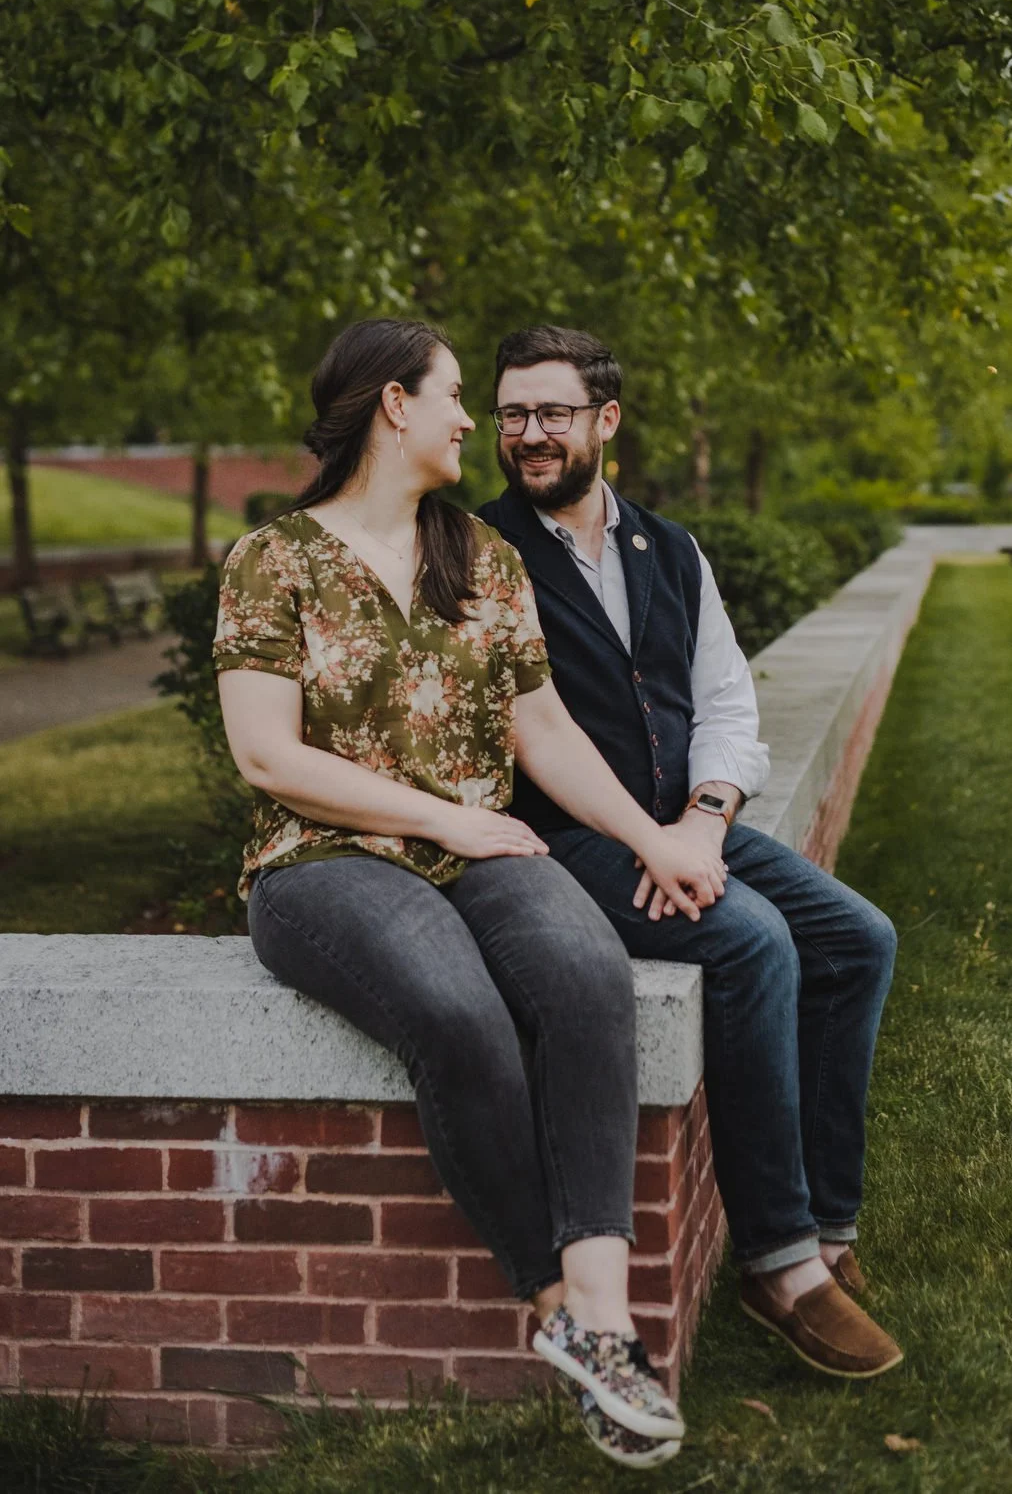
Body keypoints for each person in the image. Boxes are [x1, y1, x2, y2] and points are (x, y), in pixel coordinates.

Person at [214, 317, 727, 1468]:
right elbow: (266, 755)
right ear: (395, 404)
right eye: (456, 397)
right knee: (456, 1012)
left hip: (476, 851)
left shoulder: (481, 560)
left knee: (588, 971)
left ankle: (604, 1323)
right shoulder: (274, 559)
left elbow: (539, 730)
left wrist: (654, 837)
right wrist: (447, 816)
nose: (473, 422)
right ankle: (547, 1301)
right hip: (322, 859)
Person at [479, 325, 903, 1381]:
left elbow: (724, 701)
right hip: (566, 840)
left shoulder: (667, 547)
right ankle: (782, 1260)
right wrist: (655, 841)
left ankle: (834, 1228)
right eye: (511, 414)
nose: (529, 434)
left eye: (552, 413)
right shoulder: (475, 550)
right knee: (754, 944)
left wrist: (707, 820)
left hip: (687, 821)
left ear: (605, 422)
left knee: (857, 937)